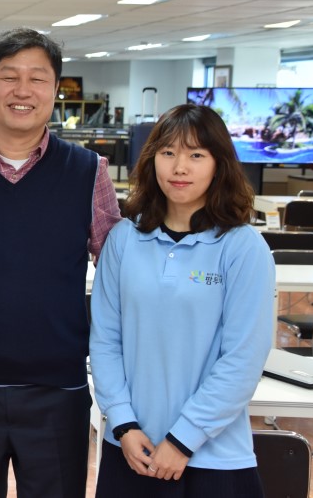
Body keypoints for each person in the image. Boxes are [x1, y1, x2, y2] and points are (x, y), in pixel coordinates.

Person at [0, 27, 122, 498]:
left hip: (59, 390)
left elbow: (120, 274)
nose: (23, 90)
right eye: (9, 76)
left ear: (55, 89)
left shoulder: (88, 172)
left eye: (37, 78)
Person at [89, 104, 274, 497]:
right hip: (131, 448)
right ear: (152, 160)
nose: (180, 167)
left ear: (219, 164)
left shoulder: (243, 247)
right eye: (168, 152)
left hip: (214, 457)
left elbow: (243, 358)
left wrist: (183, 438)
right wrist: (122, 423)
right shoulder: (123, 239)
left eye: (196, 155)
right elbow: (105, 341)